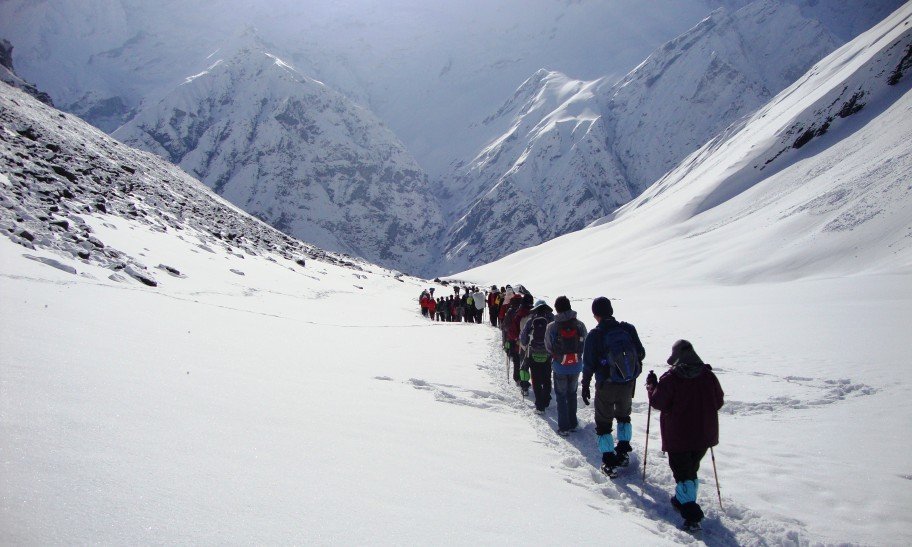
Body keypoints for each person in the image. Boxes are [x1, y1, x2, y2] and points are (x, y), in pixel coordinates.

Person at [646, 340, 724, 531]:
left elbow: (658, 402)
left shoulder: (672, 378)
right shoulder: (707, 375)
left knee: (682, 472)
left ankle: (691, 514)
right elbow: (719, 401)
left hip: (679, 435)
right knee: (690, 469)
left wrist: (651, 388)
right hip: (704, 434)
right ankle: (682, 499)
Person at [582, 297, 645, 476]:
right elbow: (641, 353)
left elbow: (588, 364)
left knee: (603, 423)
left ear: (595, 315)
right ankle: (623, 453)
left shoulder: (595, 335)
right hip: (627, 382)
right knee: (624, 417)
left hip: (606, 385)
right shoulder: (628, 329)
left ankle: (609, 461)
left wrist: (585, 384)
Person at [545, 296, 587, 435]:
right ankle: (573, 422)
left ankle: (563, 427)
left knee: (561, 395)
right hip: (576, 365)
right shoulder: (580, 325)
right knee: (572, 393)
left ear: (556, 309)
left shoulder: (552, 326)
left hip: (559, 365)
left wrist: (556, 356)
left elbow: (548, 346)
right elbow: (585, 343)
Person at [520, 299, 554, 413]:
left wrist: (525, 345)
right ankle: (546, 399)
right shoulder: (552, 320)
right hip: (548, 354)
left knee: (536, 379)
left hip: (533, 353)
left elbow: (523, 336)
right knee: (547, 377)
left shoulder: (531, 320)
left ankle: (539, 405)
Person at [508, 292, 534, 395]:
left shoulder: (519, 314)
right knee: (534, 365)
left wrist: (515, 339)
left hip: (521, 344)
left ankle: (523, 385)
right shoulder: (535, 313)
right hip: (535, 344)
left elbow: (512, 331)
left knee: (522, 365)